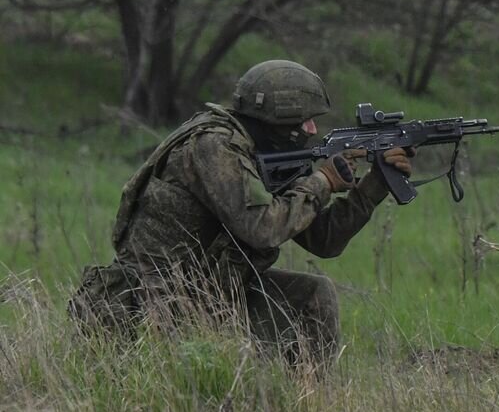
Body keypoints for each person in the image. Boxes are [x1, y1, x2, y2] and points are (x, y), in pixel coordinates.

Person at [68, 59, 411, 365]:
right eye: (305, 120)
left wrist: (376, 184)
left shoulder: (262, 153)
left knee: (313, 296)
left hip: (208, 294)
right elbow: (261, 228)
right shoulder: (213, 146)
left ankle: (307, 407)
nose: (311, 130)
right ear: (279, 118)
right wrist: (322, 182)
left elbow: (324, 241)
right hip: (154, 306)